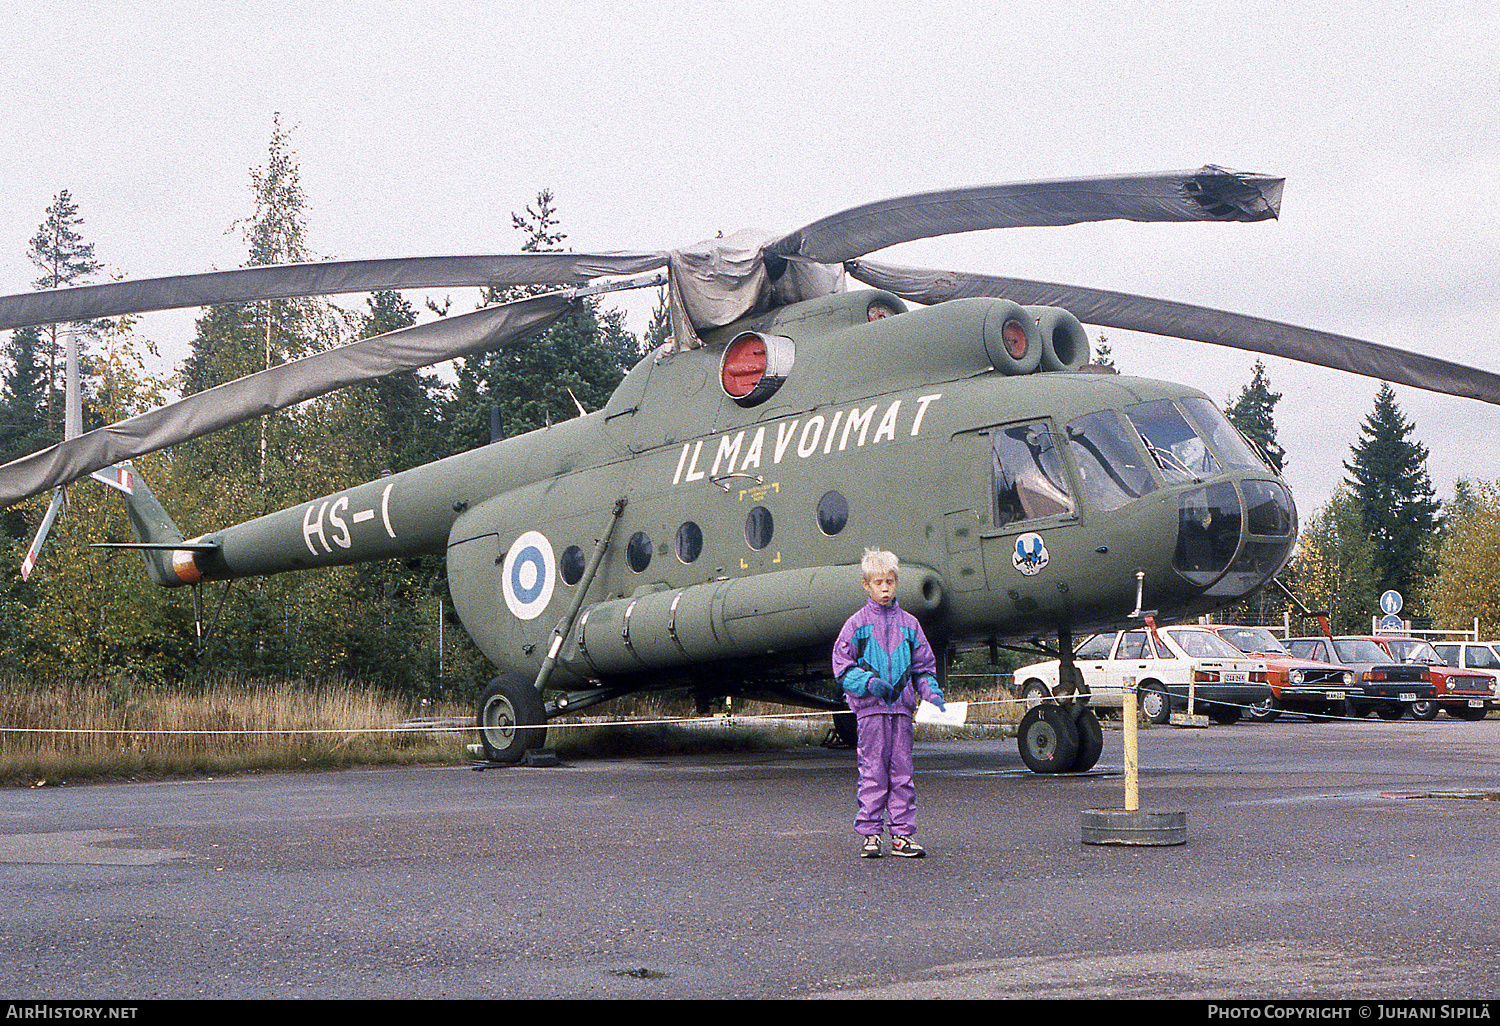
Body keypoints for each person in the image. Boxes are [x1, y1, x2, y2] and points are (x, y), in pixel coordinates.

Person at [832, 548, 946, 858]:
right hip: (871, 712)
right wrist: (868, 683)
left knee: (902, 773)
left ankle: (902, 835)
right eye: (879, 582)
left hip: (902, 711)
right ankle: (870, 833)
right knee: (873, 772)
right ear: (866, 585)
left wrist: (930, 691)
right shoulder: (856, 625)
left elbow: (923, 666)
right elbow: (842, 666)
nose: (885, 588)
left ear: (896, 583)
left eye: (890, 582)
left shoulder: (910, 625)